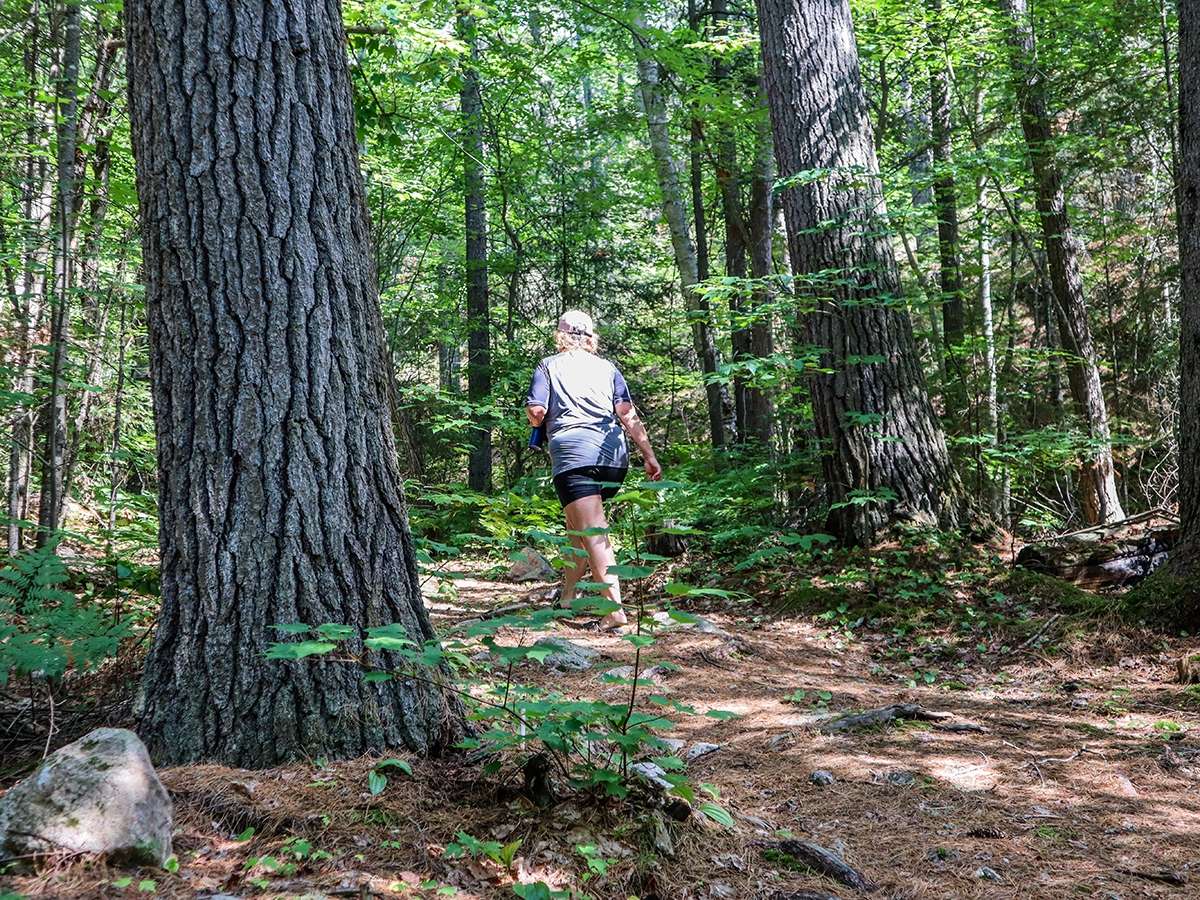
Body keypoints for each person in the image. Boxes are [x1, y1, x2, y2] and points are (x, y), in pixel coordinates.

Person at [525, 310, 662, 629]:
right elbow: (627, 415)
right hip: (614, 458)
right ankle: (568, 597)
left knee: (593, 532)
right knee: (578, 529)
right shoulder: (607, 368)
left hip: (575, 457)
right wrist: (649, 456)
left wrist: (537, 418)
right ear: (590, 337)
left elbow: (536, 410)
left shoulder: (548, 365)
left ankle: (614, 611)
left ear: (560, 335)